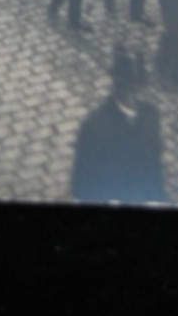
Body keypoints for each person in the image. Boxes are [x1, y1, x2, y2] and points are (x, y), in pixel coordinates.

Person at [71, 44, 167, 205]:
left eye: (135, 87)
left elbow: (155, 170)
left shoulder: (151, 116)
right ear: (115, 85)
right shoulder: (94, 127)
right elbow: (83, 187)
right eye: (125, 86)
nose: (130, 95)